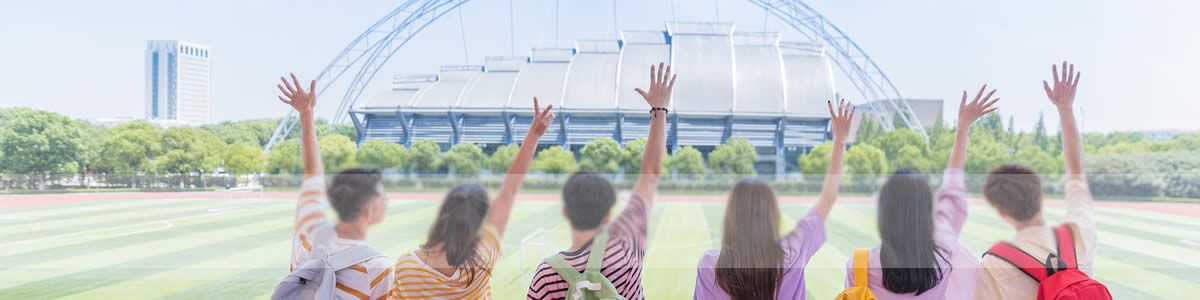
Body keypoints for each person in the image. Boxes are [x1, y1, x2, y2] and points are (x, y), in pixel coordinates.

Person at [526, 63, 674, 300]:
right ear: (608, 215)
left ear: (565, 213)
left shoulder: (546, 275)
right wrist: (659, 109)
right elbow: (651, 174)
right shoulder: (627, 248)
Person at [843, 85, 999, 299]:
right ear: (927, 213)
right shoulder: (944, 254)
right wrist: (963, 127)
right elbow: (952, 188)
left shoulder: (859, 266)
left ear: (884, 214)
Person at [391, 98, 556, 299]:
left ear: (445, 213)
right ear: (479, 222)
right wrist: (533, 136)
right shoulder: (483, 258)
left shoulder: (406, 266)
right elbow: (508, 191)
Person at [694, 100, 855, 300]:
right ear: (771, 217)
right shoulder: (794, 251)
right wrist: (840, 140)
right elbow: (828, 198)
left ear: (731, 218)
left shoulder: (710, 264)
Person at [975, 62, 1094, 300]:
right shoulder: (1080, 234)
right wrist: (1065, 109)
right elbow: (1076, 173)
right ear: (1040, 196)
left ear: (1001, 211)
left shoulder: (993, 264)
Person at [277, 73, 394, 299]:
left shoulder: (307, 238)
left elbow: (312, 175)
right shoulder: (379, 268)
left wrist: (306, 115)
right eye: (383, 197)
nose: (388, 200)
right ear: (368, 211)